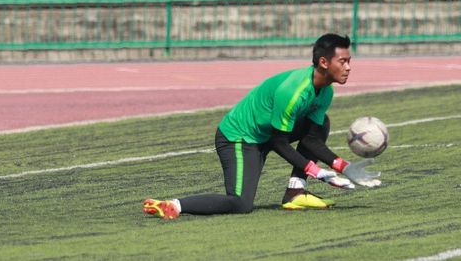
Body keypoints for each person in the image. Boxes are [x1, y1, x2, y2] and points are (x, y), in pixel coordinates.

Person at [143, 33, 381, 220]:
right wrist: (318, 172)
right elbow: (279, 142)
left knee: (321, 123)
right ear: (323, 62)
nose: (349, 67)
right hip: (239, 137)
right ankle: (173, 205)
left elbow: (310, 139)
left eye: (349, 61)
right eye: (343, 61)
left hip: (267, 134)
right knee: (240, 203)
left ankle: (295, 193)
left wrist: (343, 166)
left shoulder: (325, 92)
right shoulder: (294, 91)